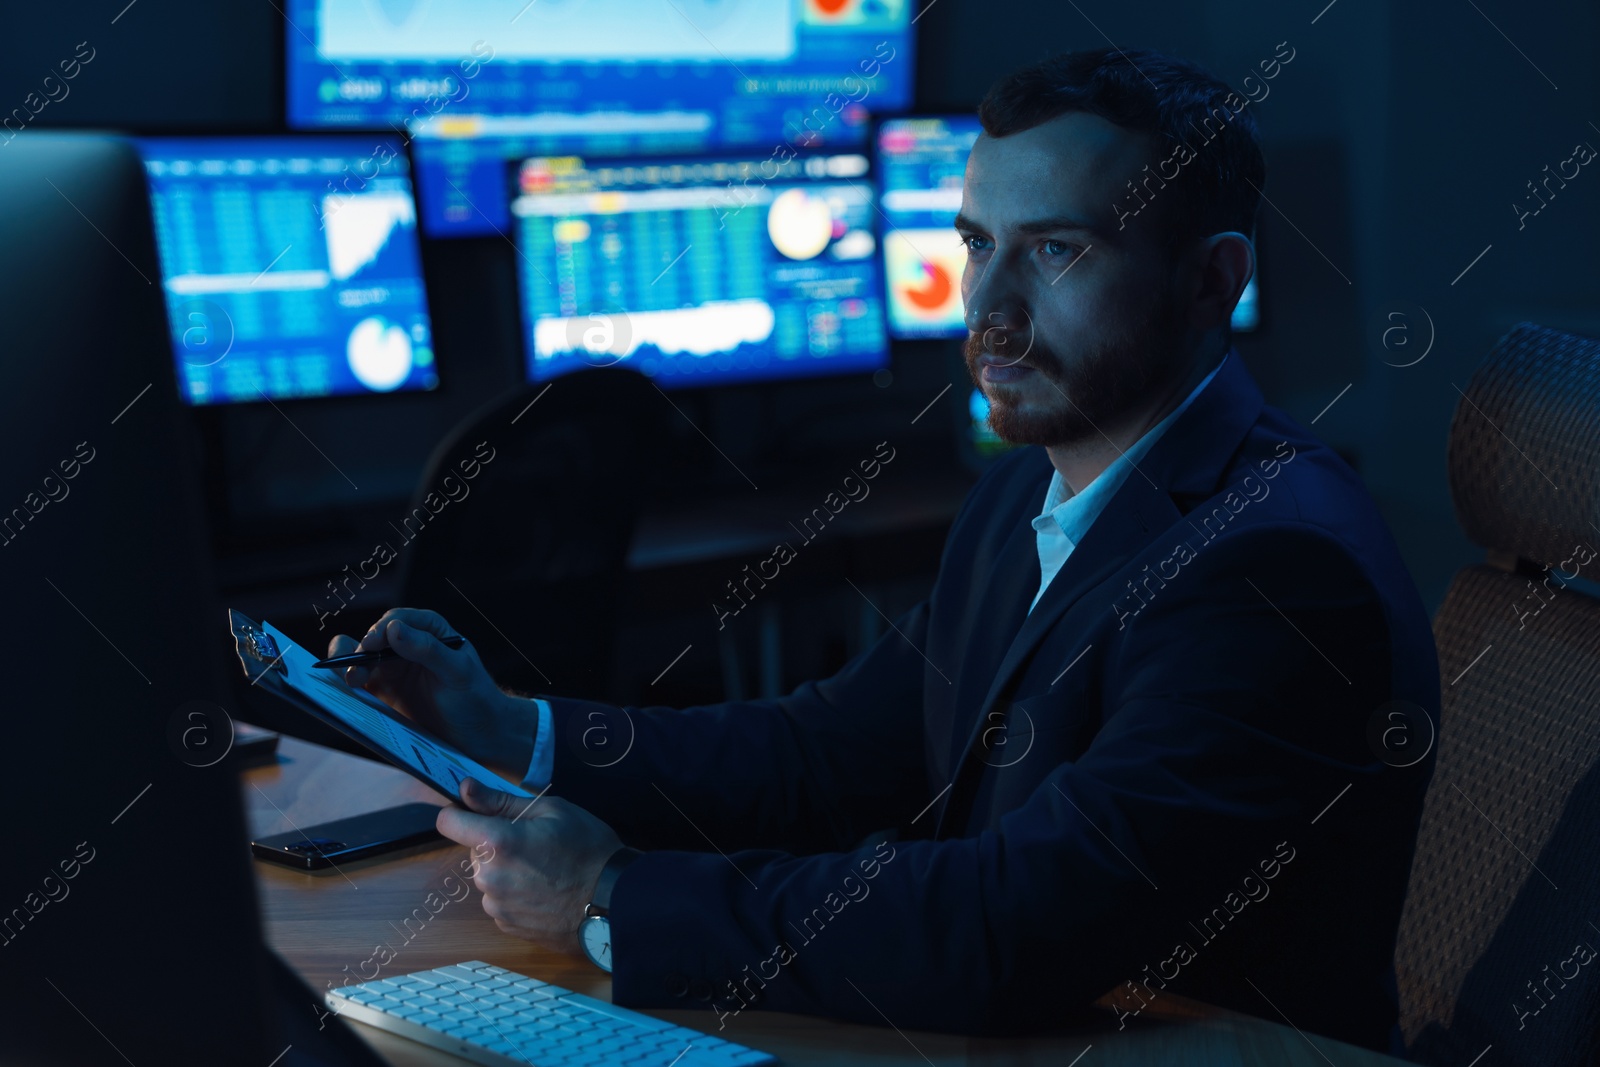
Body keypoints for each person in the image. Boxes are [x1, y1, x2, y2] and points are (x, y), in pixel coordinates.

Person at [330, 48, 1438, 1055]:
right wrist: (514, 727)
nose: (988, 308)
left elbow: (1015, 921)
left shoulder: (1275, 568)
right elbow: (825, 753)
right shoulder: (1021, 500)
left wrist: (614, 892)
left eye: (1055, 249)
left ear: (1213, 279)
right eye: (974, 243)